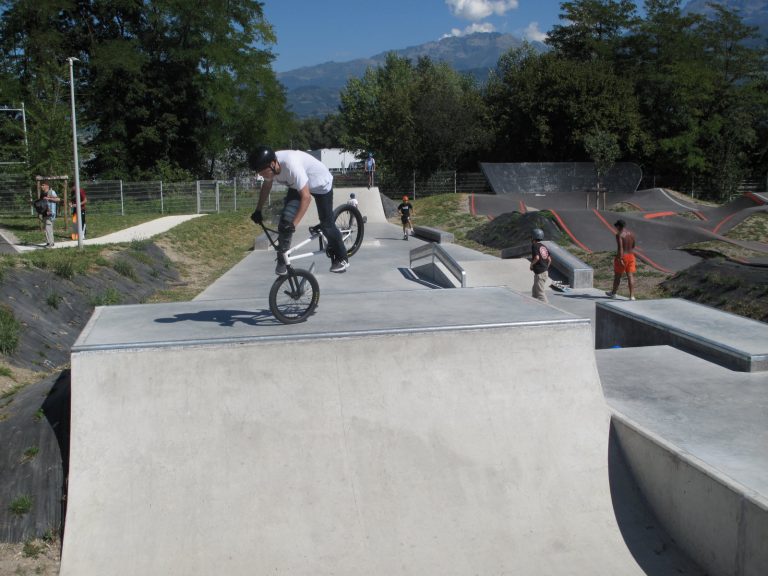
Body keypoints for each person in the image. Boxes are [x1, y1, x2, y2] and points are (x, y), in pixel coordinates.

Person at [249, 146, 348, 275]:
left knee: (327, 225)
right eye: (260, 174)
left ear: (273, 164)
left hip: (320, 185)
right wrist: (258, 210)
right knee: (285, 221)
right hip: (298, 186)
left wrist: (294, 225)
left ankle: (342, 258)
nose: (263, 176)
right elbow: (267, 186)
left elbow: (306, 198)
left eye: (263, 173)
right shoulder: (268, 165)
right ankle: (282, 260)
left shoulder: (291, 165)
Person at [606, 219, 636, 300]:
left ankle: (613, 293)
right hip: (631, 255)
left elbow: (620, 248)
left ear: (619, 226)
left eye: (616, 226)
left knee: (617, 276)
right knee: (630, 275)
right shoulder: (631, 234)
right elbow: (633, 245)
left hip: (623, 256)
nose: (616, 228)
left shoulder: (619, 235)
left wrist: (620, 258)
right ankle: (632, 296)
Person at [529, 228, 551, 303]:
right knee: (535, 291)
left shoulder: (534, 245)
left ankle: (548, 308)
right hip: (542, 272)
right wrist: (545, 268)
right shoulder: (544, 246)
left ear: (533, 237)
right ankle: (534, 305)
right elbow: (549, 260)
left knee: (540, 293)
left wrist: (531, 265)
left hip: (540, 274)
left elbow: (537, 258)